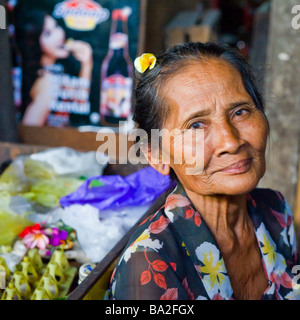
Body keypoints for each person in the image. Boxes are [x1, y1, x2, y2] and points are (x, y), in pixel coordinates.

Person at [105, 42, 300, 300]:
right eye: (196, 125)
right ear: (157, 156)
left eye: (240, 111)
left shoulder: (275, 210)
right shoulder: (149, 266)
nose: (231, 142)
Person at [15, 10, 93, 126]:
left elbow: (80, 103)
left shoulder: (55, 71)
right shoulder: (47, 81)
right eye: (48, 33)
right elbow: (30, 128)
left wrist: (87, 64)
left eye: (56, 26)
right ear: (35, 40)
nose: (59, 35)